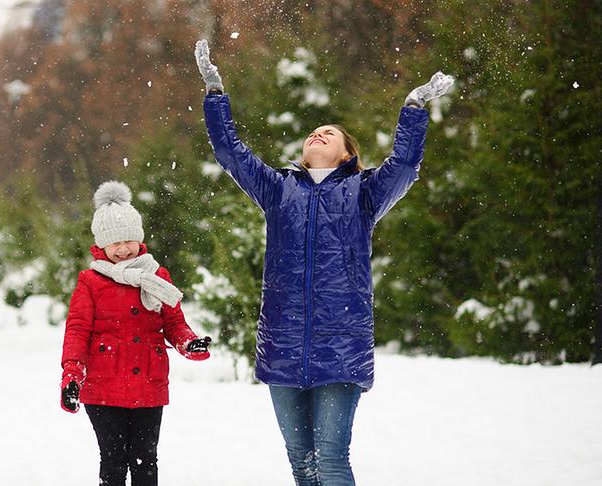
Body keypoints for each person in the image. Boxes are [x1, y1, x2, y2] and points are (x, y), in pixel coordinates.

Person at [194, 39, 453, 485]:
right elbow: (231, 154)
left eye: (329, 133)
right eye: (313, 131)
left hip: (341, 344)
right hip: (282, 342)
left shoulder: (364, 193)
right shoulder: (278, 190)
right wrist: (216, 93)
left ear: (347, 155)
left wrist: (414, 106)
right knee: (301, 462)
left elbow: (406, 163)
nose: (318, 134)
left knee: (331, 459)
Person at [59, 180, 212, 486]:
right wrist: (72, 375)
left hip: (148, 384)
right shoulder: (90, 281)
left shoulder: (156, 276)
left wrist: (188, 342)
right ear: (101, 245)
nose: (124, 248)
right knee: (113, 460)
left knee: (145, 459)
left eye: (129, 240)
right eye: (115, 242)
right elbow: (77, 331)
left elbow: (173, 323)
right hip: (103, 387)